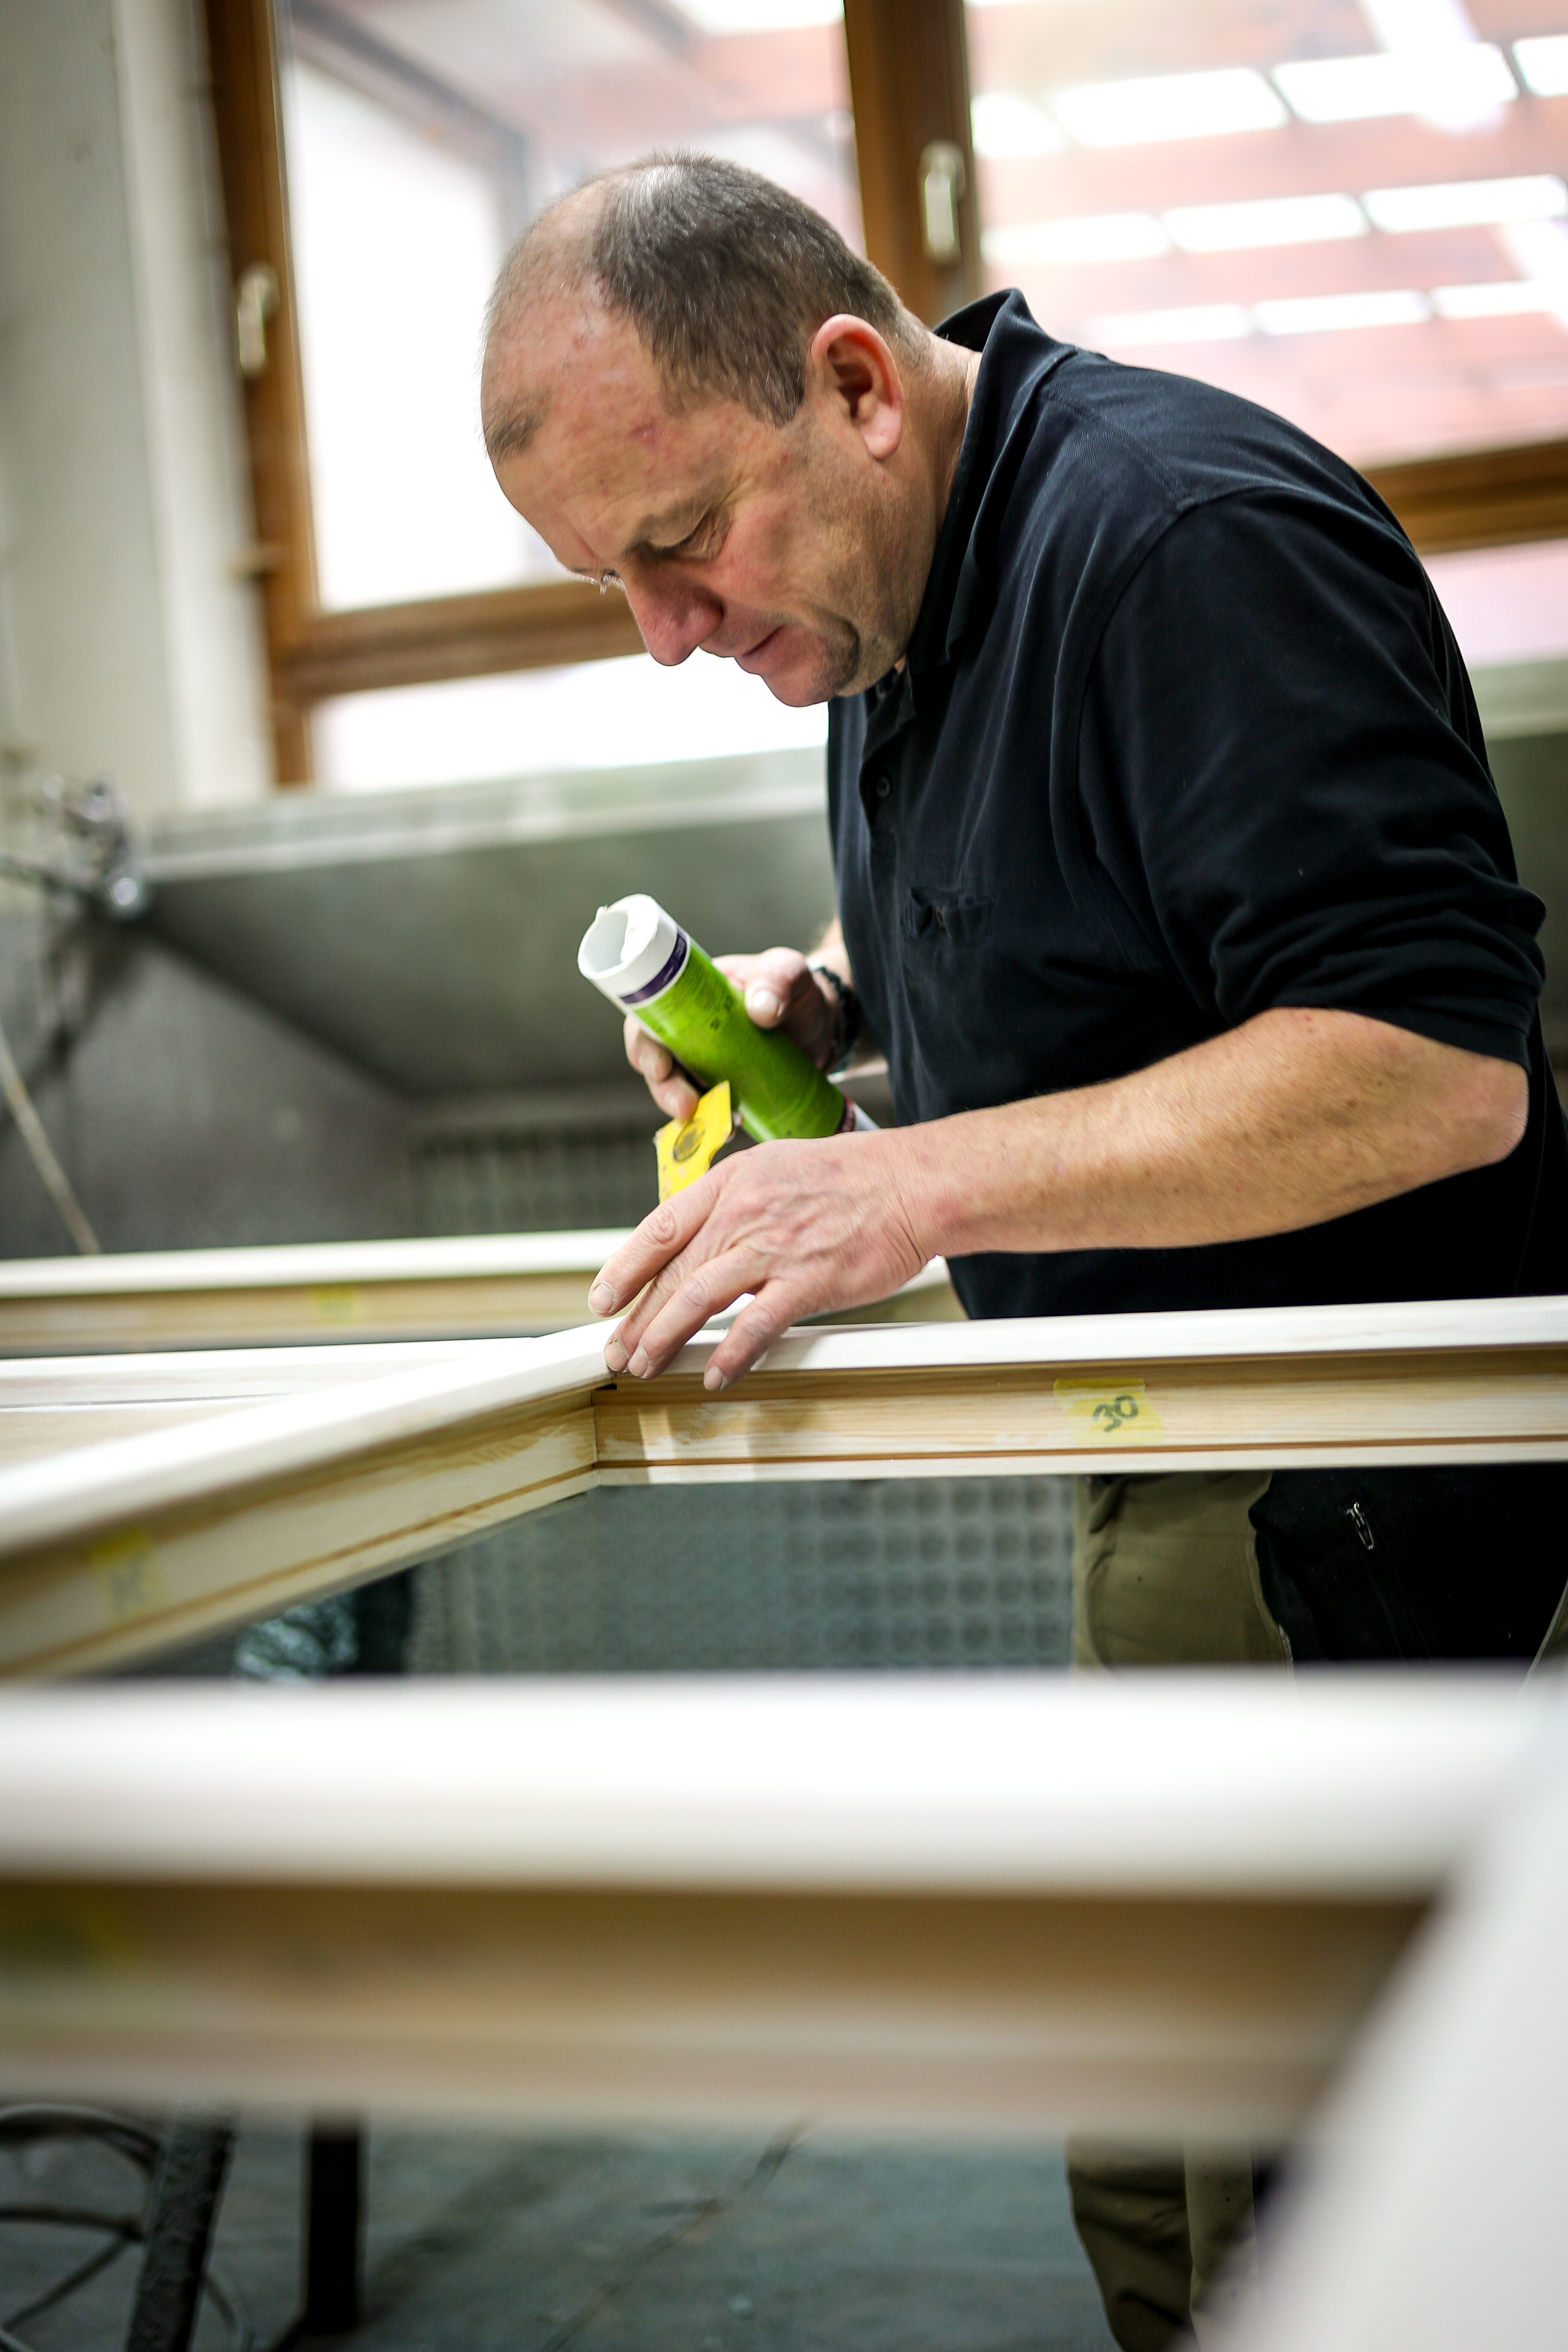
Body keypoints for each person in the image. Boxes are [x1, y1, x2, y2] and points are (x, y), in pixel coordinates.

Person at [481, 154, 1568, 2346]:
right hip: (1159, 1456)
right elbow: (1101, 910)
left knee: (1313, 2227)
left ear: (854, 384)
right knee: (1160, 2188)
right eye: (612, 581)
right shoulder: (893, 586)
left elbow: (1436, 1068)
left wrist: (907, 1188)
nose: (666, 633)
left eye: (681, 544)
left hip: (1341, 1495)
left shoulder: (1183, 545)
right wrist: (837, 1000)